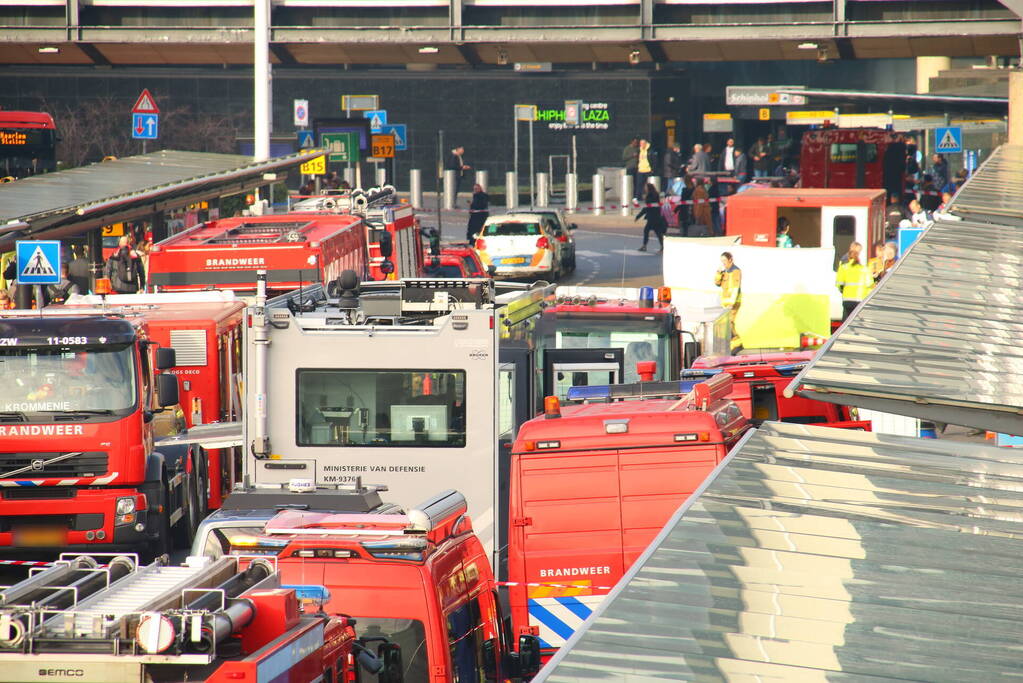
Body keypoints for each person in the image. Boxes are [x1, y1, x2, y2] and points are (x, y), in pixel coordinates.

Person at [835, 242, 872, 321]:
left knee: (846, 322)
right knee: (858, 322)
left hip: (847, 299)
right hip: (860, 299)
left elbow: (839, 283)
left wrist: (843, 291)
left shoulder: (843, 267)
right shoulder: (864, 269)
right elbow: (869, 284)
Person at [714, 252, 742, 349]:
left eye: (725, 260)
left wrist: (731, 303)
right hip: (726, 303)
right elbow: (717, 283)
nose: (723, 263)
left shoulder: (736, 271)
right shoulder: (724, 271)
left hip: (733, 303)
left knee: (730, 323)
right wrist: (718, 273)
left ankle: (736, 343)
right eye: (722, 261)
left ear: (730, 260)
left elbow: (735, 287)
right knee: (727, 323)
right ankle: (733, 343)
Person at [635, 183, 666, 253]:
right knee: (657, 232)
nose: (645, 189)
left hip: (652, 217)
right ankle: (661, 246)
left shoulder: (649, 196)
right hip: (657, 216)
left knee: (647, 230)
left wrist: (639, 216)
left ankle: (645, 246)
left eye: (646, 187)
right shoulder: (656, 194)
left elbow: (646, 208)